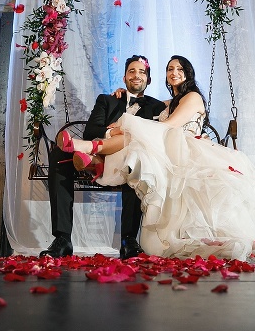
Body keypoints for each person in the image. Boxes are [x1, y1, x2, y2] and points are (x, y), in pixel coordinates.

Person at [60, 55, 255, 262]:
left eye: (180, 69)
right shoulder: (169, 102)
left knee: (138, 139)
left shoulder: (192, 97)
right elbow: (150, 109)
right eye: (170, 69)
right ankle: (96, 158)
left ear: (188, 73)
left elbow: (168, 125)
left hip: (187, 150)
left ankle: (94, 154)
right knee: (138, 144)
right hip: (170, 149)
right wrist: (122, 94)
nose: (174, 72)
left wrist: (126, 126)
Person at [41, 55, 167, 260]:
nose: (136, 75)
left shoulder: (157, 107)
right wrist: (111, 133)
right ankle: (62, 239)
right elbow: (91, 130)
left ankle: (128, 240)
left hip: (129, 160)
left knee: (137, 161)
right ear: (124, 78)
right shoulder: (108, 100)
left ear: (149, 79)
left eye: (142, 72)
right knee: (58, 154)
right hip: (99, 153)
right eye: (131, 71)